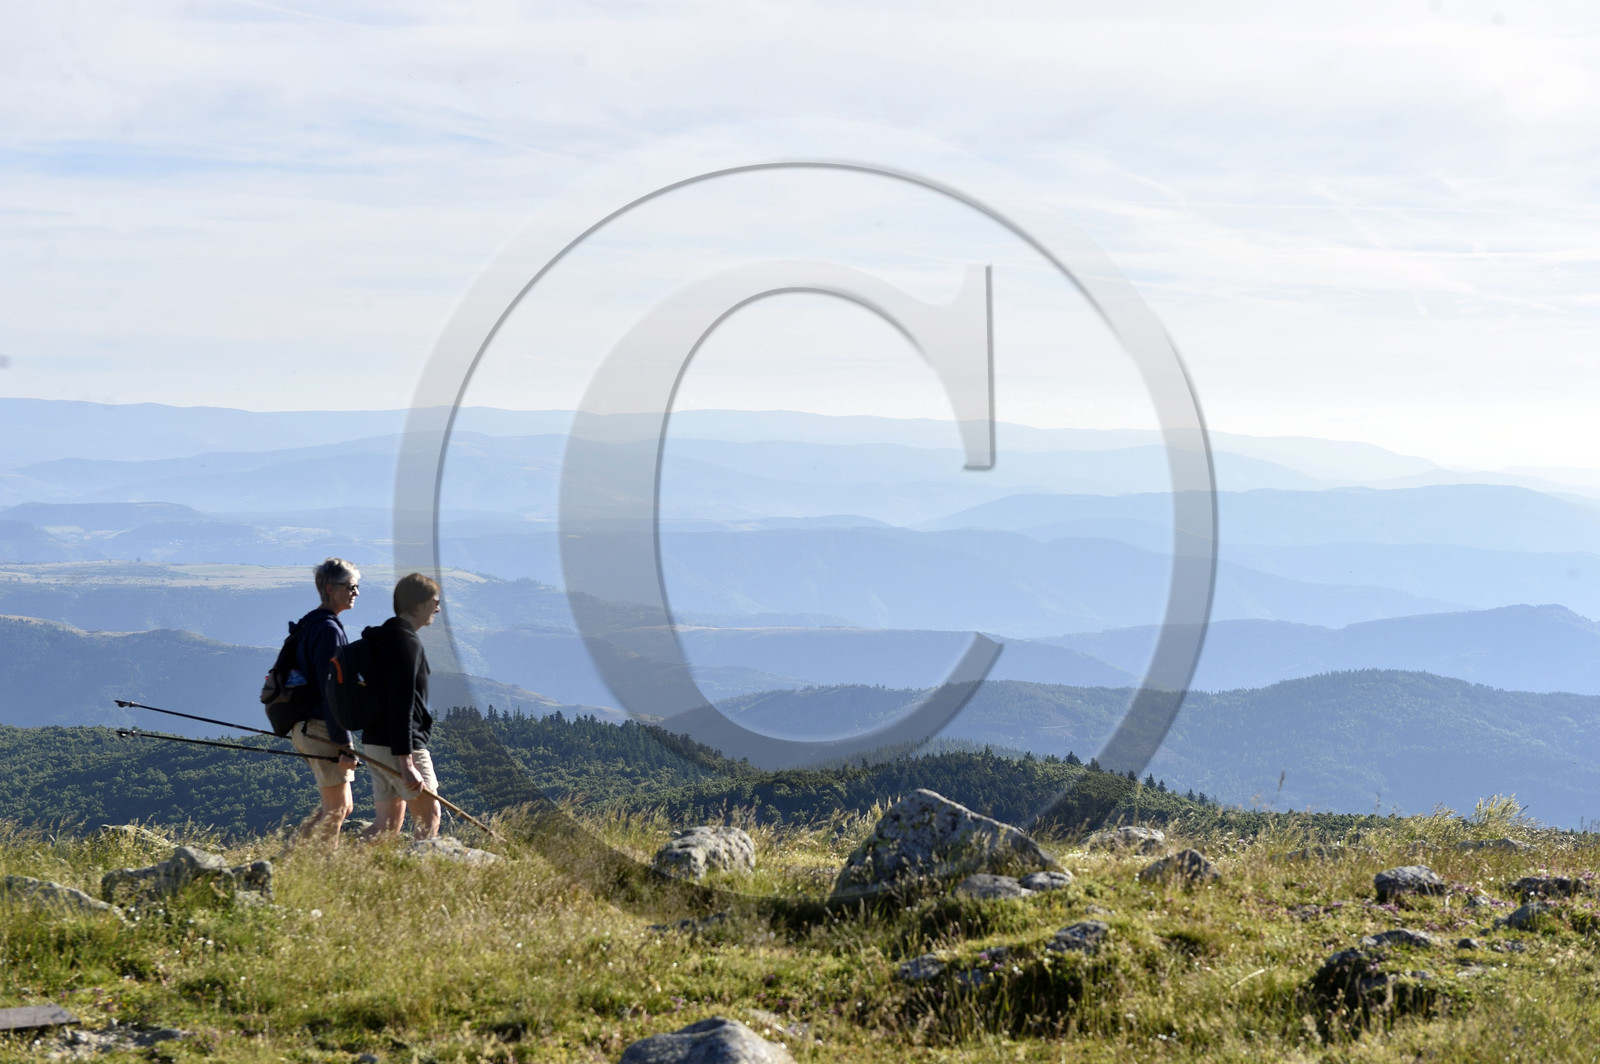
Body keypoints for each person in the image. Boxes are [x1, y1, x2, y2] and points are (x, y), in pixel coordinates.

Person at [360, 572, 441, 840]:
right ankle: (423, 866)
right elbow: (401, 704)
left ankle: (338, 864)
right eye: (434, 602)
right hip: (403, 747)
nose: (437, 609)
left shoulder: (381, 638)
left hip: (375, 741)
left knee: (386, 826)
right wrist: (407, 763)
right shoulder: (407, 643)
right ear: (419, 605)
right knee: (429, 818)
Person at [288, 557, 362, 842]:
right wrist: (344, 743)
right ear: (331, 589)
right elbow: (332, 690)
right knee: (337, 808)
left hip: (307, 725)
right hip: (321, 727)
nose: (356, 592)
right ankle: (316, 862)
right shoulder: (329, 630)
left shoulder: (312, 622)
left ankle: (291, 857)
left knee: (343, 806)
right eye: (351, 587)